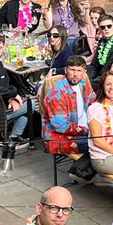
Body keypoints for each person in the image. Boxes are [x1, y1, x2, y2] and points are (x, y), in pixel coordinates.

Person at [42, 55, 96, 183]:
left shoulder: (83, 83)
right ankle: (84, 171)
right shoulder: (57, 93)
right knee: (99, 143)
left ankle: (91, 172)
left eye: (79, 71)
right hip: (58, 137)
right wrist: (87, 131)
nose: (75, 74)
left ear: (84, 72)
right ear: (66, 70)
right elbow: (60, 126)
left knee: (110, 137)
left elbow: (93, 102)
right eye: (72, 70)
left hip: (84, 129)